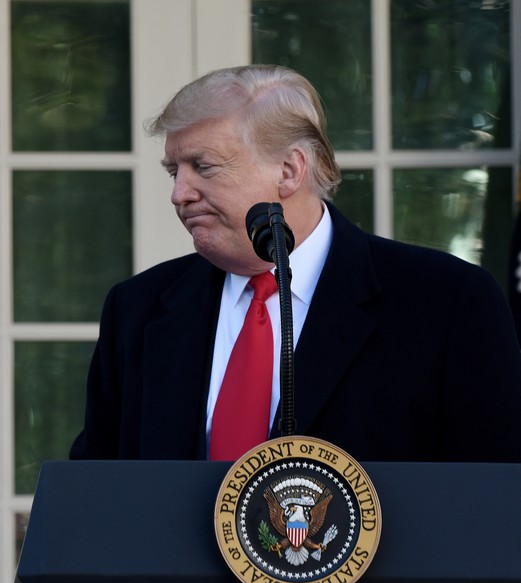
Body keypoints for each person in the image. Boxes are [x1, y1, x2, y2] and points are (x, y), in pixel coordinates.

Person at [69, 64, 521, 463]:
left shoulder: (445, 301)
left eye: (202, 168)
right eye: (174, 172)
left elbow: (493, 500)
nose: (179, 194)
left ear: (289, 170)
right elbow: (97, 492)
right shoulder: (138, 308)